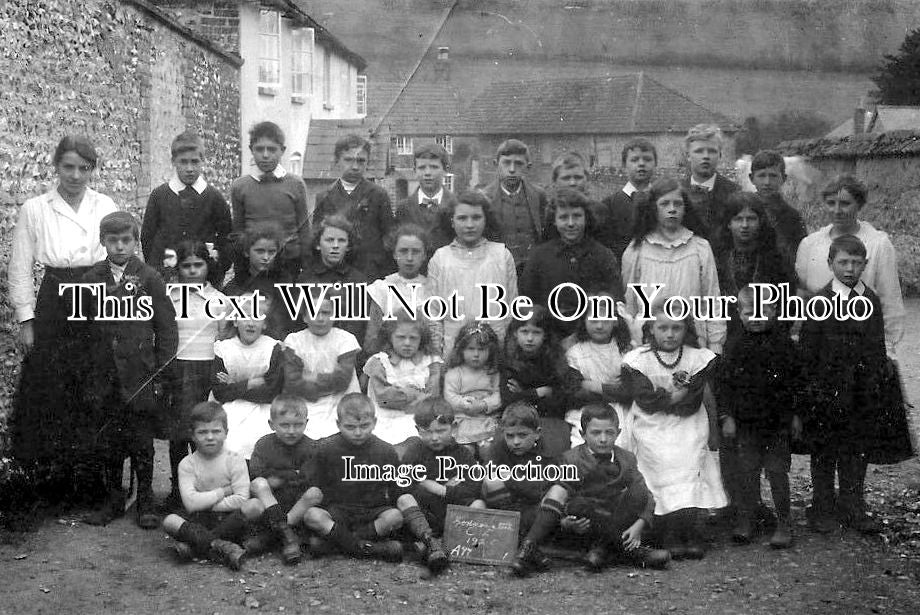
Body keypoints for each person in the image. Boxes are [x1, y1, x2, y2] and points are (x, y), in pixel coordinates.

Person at [8, 135, 119, 506]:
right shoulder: (36, 208)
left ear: (92, 170)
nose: (75, 175)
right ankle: (53, 487)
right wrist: (27, 319)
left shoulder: (104, 205)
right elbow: (21, 267)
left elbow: (122, 258)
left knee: (94, 385)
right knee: (53, 389)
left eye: (84, 168)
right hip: (56, 298)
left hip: (96, 295)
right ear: (56, 166)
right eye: (68, 167)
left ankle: (94, 486)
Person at [80, 211, 178, 528]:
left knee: (141, 441)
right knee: (108, 441)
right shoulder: (91, 279)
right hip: (104, 375)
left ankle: (146, 501)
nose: (120, 247)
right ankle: (113, 499)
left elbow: (166, 329)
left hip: (140, 374)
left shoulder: (149, 277)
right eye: (113, 241)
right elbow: (82, 330)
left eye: (126, 240)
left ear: (136, 242)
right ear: (102, 242)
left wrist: (160, 372)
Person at [511, 403, 670, 576]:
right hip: (584, 525)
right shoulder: (570, 459)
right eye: (596, 433)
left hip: (614, 520)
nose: (603, 439)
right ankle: (528, 549)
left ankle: (603, 551)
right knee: (564, 493)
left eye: (609, 432)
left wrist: (640, 525)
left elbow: (647, 496)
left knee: (638, 493)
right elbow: (550, 497)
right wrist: (564, 521)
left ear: (618, 433)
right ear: (583, 435)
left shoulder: (626, 459)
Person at [799, 235, 889, 535]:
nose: (850, 268)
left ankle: (853, 507)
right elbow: (809, 352)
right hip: (826, 392)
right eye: (843, 262)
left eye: (856, 262)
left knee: (856, 451)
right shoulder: (819, 302)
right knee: (824, 452)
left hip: (860, 392)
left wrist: (874, 384)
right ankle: (822, 508)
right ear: (830, 264)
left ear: (865, 264)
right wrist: (812, 391)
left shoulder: (871, 300)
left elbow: (877, 347)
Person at [620, 306, 726, 559]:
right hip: (651, 422)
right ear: (651, 329)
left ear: (686, 330)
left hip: (688, 421)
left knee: (689, 458)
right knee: (658, 458)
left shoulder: (696, 358)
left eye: (676, 328)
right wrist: (677, 395)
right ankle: (667, 531)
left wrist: (674, 398)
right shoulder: (638, 360)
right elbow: (645, 399)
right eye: (663, 328)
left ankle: (689, 530)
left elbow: (694, 398)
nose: (670, 334)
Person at [717, 287, 803, 548]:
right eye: (749, 312)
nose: (756, 317)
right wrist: (726, 417)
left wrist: (796, 415)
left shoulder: (784, 344)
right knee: (747, 472)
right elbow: (725, 386)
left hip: (777, 424)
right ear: (739, 314)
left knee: (777, 471)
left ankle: (784, 522)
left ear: (774, 312)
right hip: (745, 425)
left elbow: (796, 383)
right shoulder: (733, 344)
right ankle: (747, 519)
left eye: (763, 311)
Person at [795, 175, 904, 358]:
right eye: (831, 203)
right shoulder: (810, 244)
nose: (837, 210)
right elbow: (802, 296)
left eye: (845, 204)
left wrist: (888, 349)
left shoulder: (878, 244)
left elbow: (889, 300)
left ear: (859, 205)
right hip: (821, 340)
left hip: (862, 336)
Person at [621, 177, 726, 353]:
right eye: (664, 204)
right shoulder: (636, 250)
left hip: (691, 341)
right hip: (648, 341)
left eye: (678, 204)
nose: (672, 209)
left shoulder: (700, 247)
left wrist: (715, 344)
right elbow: (629, 301)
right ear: (653, 208)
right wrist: (632, 341)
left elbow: (712, 298)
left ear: (685, 208)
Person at [164, 241, 230, 508]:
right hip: (178, 368)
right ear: (178, 268)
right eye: (186, 266)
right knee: (179, 432)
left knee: (206, 429)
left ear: (207, 266)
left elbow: (224, 338)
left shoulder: (219, 300)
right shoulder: (169, 297)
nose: (192, 271)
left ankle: (208, 487)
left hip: (207, 369)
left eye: (198, 265)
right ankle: (179, 490)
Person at [161, 402, 262, 570]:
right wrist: (223, 491)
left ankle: (196, 547)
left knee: (254, 506)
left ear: (226, 433)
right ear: (192, 435)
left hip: (231, 520)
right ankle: (222, 547)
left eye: (216, 431)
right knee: (170, 521)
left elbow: (241, 499)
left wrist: (205, 502)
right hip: (200, 520)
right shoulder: (187, 464)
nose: (209, 437)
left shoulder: (235, 460)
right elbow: (190, 504)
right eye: (202, 432)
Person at [519, 187, 622, 337]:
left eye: (577, 216)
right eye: (563, 217)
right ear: (554, 220)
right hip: (549, 337)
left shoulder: (602, 255)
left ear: (586, 218)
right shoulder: (539, 256)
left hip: (591, 336)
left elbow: (614, 296)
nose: (571, 223)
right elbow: (527, 300)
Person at [427, 191, 517, 355]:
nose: (469, 225)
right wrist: (437, 358)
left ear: (486, 220)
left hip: (493, 349)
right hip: (453, 349)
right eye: (462, 218)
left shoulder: (501, 255)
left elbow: (511, 308)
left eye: (476, 218)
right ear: (452, 221)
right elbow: (434, 313)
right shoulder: (441, 258)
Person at [141, 131, 232, 278]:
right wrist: (156, 268)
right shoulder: (159, 195)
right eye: (183, 162)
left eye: (195, 161)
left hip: (205, 276)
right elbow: (148, 237)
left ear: (203, 160)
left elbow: (226, 237)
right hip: (166, 275)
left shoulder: (214, 197)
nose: (189, 168)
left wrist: (218, 267)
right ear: (173, 161)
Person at [482, 402, 560, 567]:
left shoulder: (548, 453)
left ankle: (527, 544)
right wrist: (519, 482)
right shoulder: (498, 449)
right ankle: (527, 548)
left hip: (534, 512)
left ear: (537, 433)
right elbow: (488, 481)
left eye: (522, 435)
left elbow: (537, 492)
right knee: (491, 482)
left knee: (557, 492)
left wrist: (509, 478)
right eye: (510, 436)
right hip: (505, 511)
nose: (515, 442)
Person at [247, 395, 322, 565]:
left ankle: (278, 533)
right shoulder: (263, 444)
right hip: (271, 501)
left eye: (298, 425)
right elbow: (256, 472)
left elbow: (307, 478)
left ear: (306, 422)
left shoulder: (311, 447)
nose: (291, 431)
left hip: (297, 504)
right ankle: (286, 534)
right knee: (259, 484)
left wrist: (277, 476)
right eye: (284, 425)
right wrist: (291, 474)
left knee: (314, 493)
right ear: (271, 424)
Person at [230, 121, 309, 279]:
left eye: (272, 149)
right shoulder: (240, 186)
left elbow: (305, 230)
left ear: (282, 150)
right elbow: (238, 232)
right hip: (254, 266)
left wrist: (307, 269)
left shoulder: (296, 184)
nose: (265, 155)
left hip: (289, 264)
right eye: (259, 149)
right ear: (251, 150)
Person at [502, 306, 582, 457]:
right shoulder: (508, 362)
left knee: (553, 452)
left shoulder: (554, 360)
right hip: (517, 423)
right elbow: (508, 400)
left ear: (545, 335)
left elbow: (561, 398)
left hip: (550, 419)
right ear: (515, 333)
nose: (530, 338)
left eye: (536, 332)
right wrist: (538, 392)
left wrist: (523, 394)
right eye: (525, 332)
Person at [210, 295, 284, 460]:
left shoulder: (272, 348)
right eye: (245, 317)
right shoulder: (223, 349)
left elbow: (272, 390)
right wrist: (251, 383)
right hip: (230, 407)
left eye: (257, 318)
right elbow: (220, 392)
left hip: (263, 407)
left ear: (264, 324)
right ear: (235, 321)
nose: (251, 323)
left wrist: (235, 385)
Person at [400, 399, 486, 539]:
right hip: (425, 513)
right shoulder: (414, 452)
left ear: (453, 427)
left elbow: (473, 487)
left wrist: (441, 490)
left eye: (441, 431)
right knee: (405, 499)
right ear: (418, 430)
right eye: (427, 432)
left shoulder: (462, 454)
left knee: (478, 504)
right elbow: (403, 485)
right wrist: (425, 488)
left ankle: (461, 541)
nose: (434, 437)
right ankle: (428, 540)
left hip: (453, 513)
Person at [282, 289, 361, 440]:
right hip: (305, 400)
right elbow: (292, 381)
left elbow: (342, 380)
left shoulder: (346, 339)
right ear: (305, 317)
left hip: (341, 398)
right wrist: (326, 379)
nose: (320, 318)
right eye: (314, 312)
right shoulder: (294, 340)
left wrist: (312, 377)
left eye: (326, 312)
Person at [312, 135, 394, 280]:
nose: (355, 166)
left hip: (370, 271)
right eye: (348, 160)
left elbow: (389, 238)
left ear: (368, 163)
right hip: (336, 272)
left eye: (361, 161)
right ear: (337, 161)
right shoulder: (324, 196)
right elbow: (318, 238)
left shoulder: (378, 195)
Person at [713, 192, 791, 340]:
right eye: (738, 219)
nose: (744, 225)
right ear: (728, 223)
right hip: (726, 336)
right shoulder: (718, 258)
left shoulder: (776, 258)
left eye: (751, 219)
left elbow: (787, 305)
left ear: (761, 221)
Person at [565, 291, 634, 448]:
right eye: (594, 320)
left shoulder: (627, 351)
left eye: (605, 319)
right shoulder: (575, 353)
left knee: (624, 442)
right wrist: (612, 389)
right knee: (584, 445)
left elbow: (629, 390)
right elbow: (576, 391)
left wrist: (594, 385)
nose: (599, 325)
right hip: (587, 410)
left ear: (615, 321)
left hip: (622, 410)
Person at [363, 223, 441, 358]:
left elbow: (436, 336)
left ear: (424, 255)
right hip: (390, 362)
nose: (409, 258)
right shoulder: (382, 289)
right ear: (394, 253)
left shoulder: (433, 289)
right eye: (403, 251)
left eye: (416, 252)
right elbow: (372, 340)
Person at [363, 315, 442, 448]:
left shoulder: (430, 362)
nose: (407, 343)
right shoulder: (380, 361)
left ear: (421, 339)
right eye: (401, 337)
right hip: (384, 417)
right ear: (390, 337)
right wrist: (413, 393)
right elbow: (383, 397)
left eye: (413, 338)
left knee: (416, 441)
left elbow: (432, 395)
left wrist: (419, 401)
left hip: (416, 416)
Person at [297, 214, 368, 344]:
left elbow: (359, 324)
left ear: (348, 246)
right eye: (329, 240)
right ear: (318, 244)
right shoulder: (305, 279)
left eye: (341, 241)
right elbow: (299, 321)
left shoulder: (358, 280)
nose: (335, 246)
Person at [482, 138, 549, 274]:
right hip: (497, 270)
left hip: (532, 269)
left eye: (518, 164)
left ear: (528, 167)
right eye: (506, 163)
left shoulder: (538, 195)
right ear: (496, 164)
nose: (512, 169)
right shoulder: (484, 198)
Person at [221, 223, 295, 340]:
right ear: (246, 252)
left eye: (271, 252)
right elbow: (225, 326)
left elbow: (290, 322)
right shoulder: (234, 287)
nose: (266, 257)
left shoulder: (284, 285)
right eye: (260, 251)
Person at [442, 322, 503, 451]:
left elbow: (499, 395)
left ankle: (489, 468)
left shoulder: (492, 372)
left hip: (486, 419)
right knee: (466, 450)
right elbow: (449, 396)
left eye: (481, 350)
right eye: (471, 349)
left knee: (488, 449)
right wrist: (462, 403)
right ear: (461, 350)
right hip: (463, 419)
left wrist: (484, 404)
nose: (476, 354)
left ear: (490, 351)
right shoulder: (454, 373)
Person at [747, 150, 807, 275]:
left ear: (783, 178)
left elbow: (798, 258)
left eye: (773, 176)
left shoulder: (793, 218)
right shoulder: (741, 211)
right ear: (751, 178)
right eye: (762, 176)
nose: (767, 182)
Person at [680, 123, 740, 243]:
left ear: (720, 155)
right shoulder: (677, 191)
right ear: (688, 156)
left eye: (712, 151)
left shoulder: (734, 193)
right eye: (699, 151)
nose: (706, 156)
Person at [597, 138, 658, 258]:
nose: (641, 164)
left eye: (647, 159)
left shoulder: (663, 201)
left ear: (655, 163)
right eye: (634, 160)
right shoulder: (609, 205)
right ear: (624, 165)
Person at [394, 142, 456, 255]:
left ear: (445, 170)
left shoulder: (456, 206)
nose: (427, 173)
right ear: (415, 170)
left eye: (434, 167)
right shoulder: (404, 208)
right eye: (422, 168)